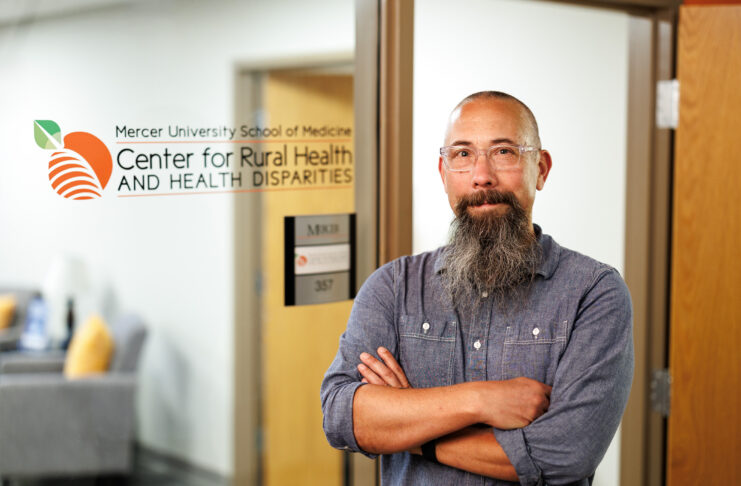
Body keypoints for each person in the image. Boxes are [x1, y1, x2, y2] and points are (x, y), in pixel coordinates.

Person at [320, 91, 634, 485]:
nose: (481, 175)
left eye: (504, 152)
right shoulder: (393, 286)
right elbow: (340, 415)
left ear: (541, 168)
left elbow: (566, 454)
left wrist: (411, 430)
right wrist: (481, 400)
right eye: (463, 154)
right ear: (443, 172)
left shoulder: (594, 293)